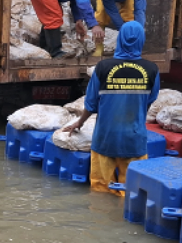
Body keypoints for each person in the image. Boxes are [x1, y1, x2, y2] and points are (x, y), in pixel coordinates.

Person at [63, 21, 160, 196]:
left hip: (105, 138)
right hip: (134, 139)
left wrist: (80, 122)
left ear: (120, 39)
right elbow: (149, 101)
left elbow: (91, 103)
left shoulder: (103, 68)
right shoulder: (152, 69)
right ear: (141, 40)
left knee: (100, 192)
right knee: (131, 192)